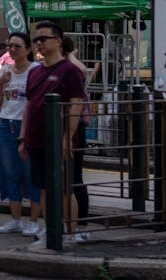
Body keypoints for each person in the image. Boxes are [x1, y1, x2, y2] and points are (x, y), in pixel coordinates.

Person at [19, 21, 87, 246]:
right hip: (36, 140)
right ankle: (51, 230)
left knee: (65, 187)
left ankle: (70, 231)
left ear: (58, 41)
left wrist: (68, 137)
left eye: (43, 39)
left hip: (59, 141)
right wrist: (23, 138)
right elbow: (29, 105)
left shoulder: (69, 70)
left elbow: (76, 103)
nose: (39, 43)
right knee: (43, 188)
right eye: (36, 40)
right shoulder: (35, 71)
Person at [0, 31, 41, 238]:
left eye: (17, 46)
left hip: (28, 127)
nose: (12, 49)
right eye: (9, 45)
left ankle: (33, 220)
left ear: (28, 49)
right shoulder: (6, 69)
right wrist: (1, 82)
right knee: (9, 174)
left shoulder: (36, 70)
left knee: (31, 174)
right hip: (6, 124)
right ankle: (15, 219)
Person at [66, 49, 96, 241]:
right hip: (61, 131)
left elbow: (82, 70)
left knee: (74, 178)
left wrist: (70, 55)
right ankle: (66, 225)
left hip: (75, 131)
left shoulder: (72, 71)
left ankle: (80, 225)